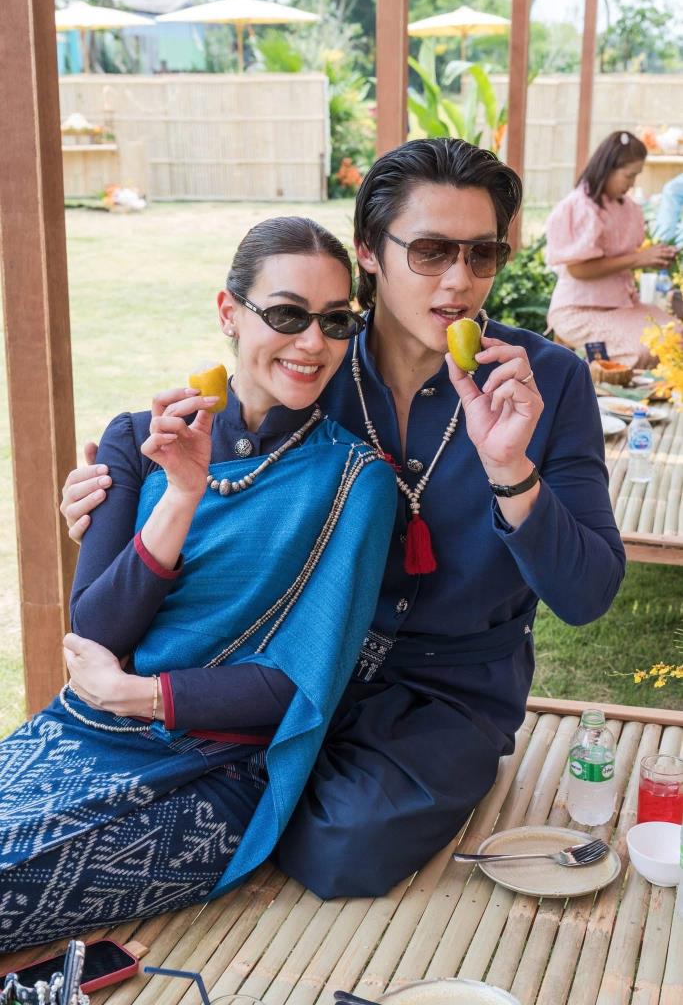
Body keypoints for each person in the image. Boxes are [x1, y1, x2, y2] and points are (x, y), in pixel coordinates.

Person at [61, 138, 626, 901]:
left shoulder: (544, 382)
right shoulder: (314, 362)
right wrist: (118, 500)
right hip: (284, 667)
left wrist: (509, 471)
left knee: (342, 845)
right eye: (429, 251)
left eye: (482, 253)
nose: (459, 281)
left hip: (448, 691)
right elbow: (214, 465)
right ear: (368, 250)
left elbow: (587, 596)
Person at [0, 217, 396, 950]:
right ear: (228, 312)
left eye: (336, 321)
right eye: (287, 314)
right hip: (83, 730)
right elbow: (98, 631)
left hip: (218, 769)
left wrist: (138, 694)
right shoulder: (136, 440)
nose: (313, 342)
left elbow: (300, 684)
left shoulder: (355, 482)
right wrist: (181, 493)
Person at [546, 130, 676, 367]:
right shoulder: (579, 207)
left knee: (675, 337)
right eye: (629, 175)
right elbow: (577, 270)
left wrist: (655, 257)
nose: (633, 183)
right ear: (608, 168)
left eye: (636, 176)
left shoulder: (628, 208)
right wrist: (637, 259)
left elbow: (628, 257)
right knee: (643, 351)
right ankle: (592, 380)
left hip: (622, 306)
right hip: (579, 310)